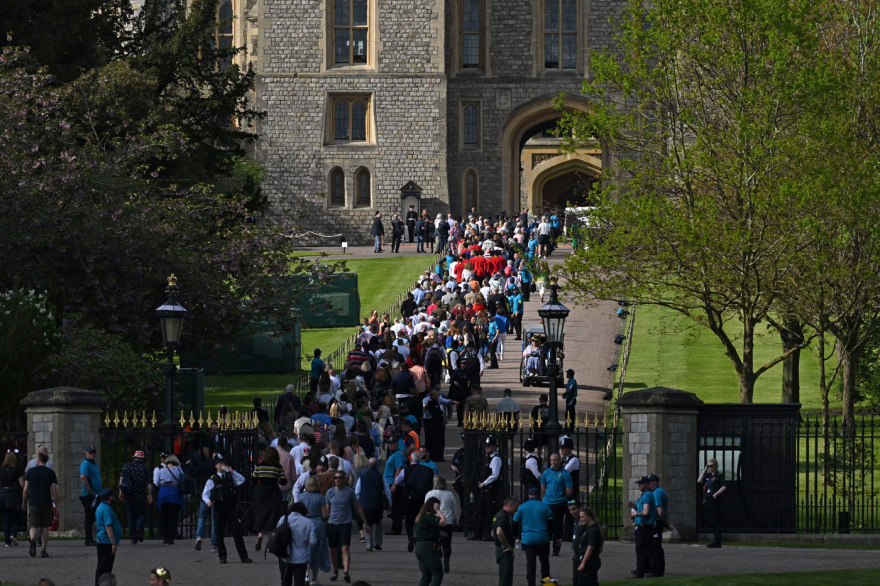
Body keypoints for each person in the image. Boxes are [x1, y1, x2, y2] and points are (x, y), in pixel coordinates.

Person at [202, 454, 252, 564]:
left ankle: (244, 556)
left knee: (236, 532)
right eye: (220, 463)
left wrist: (232, 471)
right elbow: (205, 494)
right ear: (216, 466)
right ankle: (222, 556)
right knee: (219, 532)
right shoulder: (212, 479)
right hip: (219, 507)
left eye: (224, 463)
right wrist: (208, 502)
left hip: (230, 507)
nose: (223, 465)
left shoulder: (230, 476)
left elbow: (242, 479)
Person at [323, 468, 371, 583]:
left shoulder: (349, 492)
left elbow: (358, 507)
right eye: (336, 478)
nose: (337, 480)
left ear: (344, 479)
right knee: (333, 549)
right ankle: (335, 571)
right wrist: (324, 521)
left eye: (340, 478)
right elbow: (327, 509)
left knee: (345, 548)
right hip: (332, 523)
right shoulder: (330, 492)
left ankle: (346, 572)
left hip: (345, 523)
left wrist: (365, 522)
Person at [513, 487, 554, 586]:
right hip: (542, 538)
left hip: (528, 539)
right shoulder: (545, 506)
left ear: (528, 496)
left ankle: (531, 583)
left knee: (531, 563)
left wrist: (515, 536)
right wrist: (549, 535)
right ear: (538, 495)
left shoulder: (522, 507)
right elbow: (551, 522)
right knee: (544, 563)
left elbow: (515, 523)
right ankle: (546, 583)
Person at [22, 451, 57, 558]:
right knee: (45, 526)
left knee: (33, 524)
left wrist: (23, 502)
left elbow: (25, 489)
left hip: (33, 501)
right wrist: (56, 503)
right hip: (46, 501)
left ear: (38, 460)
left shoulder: (31, 472)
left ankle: (32, 540)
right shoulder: (50, 473)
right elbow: (54, 490)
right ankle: (43, 549)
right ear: (46, 460)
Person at [424, 476, 461, 573]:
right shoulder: (449, 494)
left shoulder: (430, 493)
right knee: (447, 544)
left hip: (434, 522)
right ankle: (446, 559)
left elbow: (426, 508)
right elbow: (454, 508)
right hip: (447, 521)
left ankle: (436, 559)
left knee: (434, 542)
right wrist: (454, 520)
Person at [469, 436, 502, 541]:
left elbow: (495, 475)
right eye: (486, 447)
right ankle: (478, 533)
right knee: (481, 511)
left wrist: (484, 483)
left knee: (489, 512)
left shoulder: (496, 459)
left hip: (491, 489)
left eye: (489, 447)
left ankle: (488, 533)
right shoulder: (489, 458)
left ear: (494, 447)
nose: (487, 449)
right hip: (485, 490)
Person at [299, 475, 331, 584]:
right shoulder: (321, 498)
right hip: (317, 524)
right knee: (316, 551)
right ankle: (314, 578)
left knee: (305, 550)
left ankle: (306, 575)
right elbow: (325, 514)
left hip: (304, 524)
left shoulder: (301, 497)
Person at [277, 501, 317, 586]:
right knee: (299, 583)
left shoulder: (283, 519)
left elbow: (277, 536)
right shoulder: (308, 522)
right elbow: (313, 542)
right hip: (301, 558)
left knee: (285, 582)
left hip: (285, 556)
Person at [355, 458, 391, 552]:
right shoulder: (381, 476)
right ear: (377, 465)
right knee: (378, 523)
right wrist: (390, 503)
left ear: (367, 465)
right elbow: (387, 490)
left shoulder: (362, 477)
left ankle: (369, 544)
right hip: (377, 504)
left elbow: (357, 492)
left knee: (367, 524)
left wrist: (357, 504)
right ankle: (377, 543)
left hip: (365, 504)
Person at [541, 453, 573, 556]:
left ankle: (556, 549)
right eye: (551, 460)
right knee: (545, 526)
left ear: (559, 461)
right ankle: (543, 548)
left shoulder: (565, 474)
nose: (553, 462)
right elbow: (543, 486)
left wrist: (560, 496)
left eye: (555, 460)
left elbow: (569, 491)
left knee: (558, 527)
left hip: (559, 503)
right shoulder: (546, 473)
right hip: (547, 503)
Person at [118, 450, 152, 544]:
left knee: (131, 516)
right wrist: (149, 494)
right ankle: (139, 527)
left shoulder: (126, 466)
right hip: (140, 494)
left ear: (134, 457)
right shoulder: (145, 468)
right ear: (142, 459)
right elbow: (149, 483)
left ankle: (133, 539)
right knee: (142, 515)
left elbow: (122, 479)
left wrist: (121, 491)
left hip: (129, 494)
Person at [413, 497, 448, 586]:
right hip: (428, 547)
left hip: (419, 547)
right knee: (438, 574)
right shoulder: (428, 516)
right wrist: (438, 511)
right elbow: (443, 522)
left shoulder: (420, 517)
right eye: (437, 506)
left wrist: (438, 533)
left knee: (426, 576)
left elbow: (426, 530)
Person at [154, 455, 185, 545]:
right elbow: (182, 480)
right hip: (175, 493)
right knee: (173, 517)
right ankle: (171, 537)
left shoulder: (161, 470)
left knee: (164, 516)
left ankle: (165, 537)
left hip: (163, 493)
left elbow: (156, 482)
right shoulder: (178, 469)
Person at [630, 476, 656, 579]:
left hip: (644, 527)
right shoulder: (644, 495)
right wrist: (634, 508)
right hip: (644, 526)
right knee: (647, 549)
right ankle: (648, 569)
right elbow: (639, 508)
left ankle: (640, 571)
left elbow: (646, 512)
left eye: (641, 483)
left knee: (640, 549)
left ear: (646, 484)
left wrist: (635, 515)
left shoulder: (647, 495)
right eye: (639, 483)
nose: (639, 485)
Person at [94, 488, 121, 586]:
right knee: (105, 568)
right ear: (110, 497)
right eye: (113, 496)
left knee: (102, 566)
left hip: (102, 540)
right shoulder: (107, 509)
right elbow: (108, 526)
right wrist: (113, 543)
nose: (114, 497)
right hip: (106, 541)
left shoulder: (100, 506)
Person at [699, 459, 726, 548]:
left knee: (716, 520)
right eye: (709, 466)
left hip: (714, 499)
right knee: (712, 520)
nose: (710, 467)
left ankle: (717, 541)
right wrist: (705, 470)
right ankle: (715, 540)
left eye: (711, 466)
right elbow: (699, 480)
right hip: (708, 499)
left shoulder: (719, 475)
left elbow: (724, 487)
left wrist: (716, 494)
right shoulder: (708, 476)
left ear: (716, 466)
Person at [493, 497, 519, 586]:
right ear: (510, 505)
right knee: (506, 578)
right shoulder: (504, 517)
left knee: (504, 575)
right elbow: (499, 532)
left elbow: (493, 532)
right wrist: (508, 546)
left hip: (499, 549)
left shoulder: (498, 515)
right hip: (504, 551)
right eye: (516, 507)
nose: (516, 510)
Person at [79, 445, 102, 546]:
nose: (92, 454)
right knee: (89, 516)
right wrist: (89, 489)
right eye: (90, 452)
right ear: (86, 453)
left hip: (96, 495)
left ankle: (95, 536)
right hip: (89, 495)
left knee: (94, 516)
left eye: (93, 452)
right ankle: (88, 538)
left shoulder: (94, 464)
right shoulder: (86, 464)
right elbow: (83, 476)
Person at [1, 450, 24, 546]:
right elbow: (22, 483)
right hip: (14, 495)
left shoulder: (1, 470)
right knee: (16, 516)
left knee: (6, 518)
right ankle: (13, 534)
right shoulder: (18, 470)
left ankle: (7, 542)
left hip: (3, 495)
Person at [574, 507, 603, 586]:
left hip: (590, 562)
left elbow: (590, 548)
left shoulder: (592, 530)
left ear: (589, 516)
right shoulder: (588, 529)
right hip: (587, 560)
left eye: (583, 517)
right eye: (580, 517)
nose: (581, 519)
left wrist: (583, 563)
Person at [560, 438, 581, 540]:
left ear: (568, 449)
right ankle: (563, 533)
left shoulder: (574, 460)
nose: (562, 450)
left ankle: (568, 534)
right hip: (564, 490)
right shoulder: (564, 459)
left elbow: (564, 471)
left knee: (570, 512)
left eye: (564, 448)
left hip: (571, 490)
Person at [647, 473, 667, 576]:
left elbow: (660, 511)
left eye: (649, 482)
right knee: (654, 546)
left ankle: (657, 571)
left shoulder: (657, 493)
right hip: (656, 522)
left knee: (656, 547)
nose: (648, 484)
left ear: (654, 482)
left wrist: (663, 522)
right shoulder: (656, 491)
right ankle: (654, 568)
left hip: (656, 522)